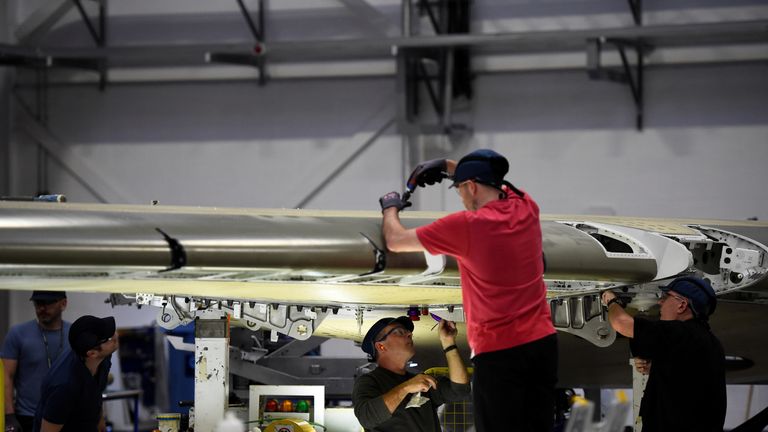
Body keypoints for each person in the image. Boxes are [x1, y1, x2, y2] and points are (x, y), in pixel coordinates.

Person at [378, 149, 558, 432]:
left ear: (471, 186)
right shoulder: (526, 208)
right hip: (542, 345)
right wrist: (450, 167)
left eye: (459, 188)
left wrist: (391, 206)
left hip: (499, 351)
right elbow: (501, 183)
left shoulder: (466, 226)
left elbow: (395, 240)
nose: (460, 196)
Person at [601, 276, 726, 431]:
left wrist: (612, 301)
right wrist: (657, 368)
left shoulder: (679, 333)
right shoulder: (711, 343)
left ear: (682, 305)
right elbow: (690, 380)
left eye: (666, 297)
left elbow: (621, 323)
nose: (660, 302)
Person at [352, 316, 470, 431]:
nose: (410, 334)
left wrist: (448, 342)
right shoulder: (370, 381)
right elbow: (367, 417)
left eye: (407, 332)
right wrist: (406, 388)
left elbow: (460, 390)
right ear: (381, 346)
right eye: (399, 332)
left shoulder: (420, 381)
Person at [33, 315, 119, 432]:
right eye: (108, 338)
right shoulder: (65, 386)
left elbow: (95, 394)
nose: (115, 336)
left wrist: (100, 424)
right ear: (92, 353)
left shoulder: (102, 358)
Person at [2, 291, 71, 432]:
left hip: (67, 417)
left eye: (48, 303)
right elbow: (6, 376)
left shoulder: (74, 334)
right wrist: (9, 415)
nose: (42, 308)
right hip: (28, 417)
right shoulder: (18, 333)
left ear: (63, 304)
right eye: (38, 303)